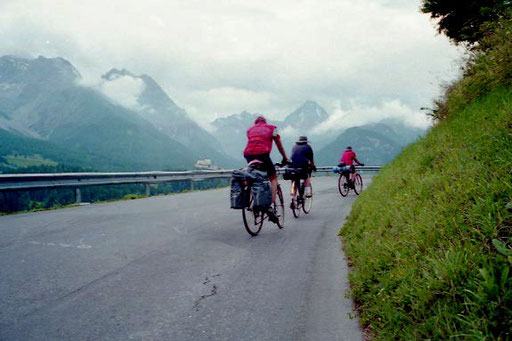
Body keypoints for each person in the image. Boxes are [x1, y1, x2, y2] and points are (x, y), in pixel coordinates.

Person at [244, 116, 288, 222]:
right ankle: (270, 205)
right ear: (265, 122)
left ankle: (253, 198)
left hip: (248, 155)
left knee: (255, 176)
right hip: (263, 154)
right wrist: (285, 158)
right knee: (273, 177)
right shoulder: (272, 128)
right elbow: (279, 145)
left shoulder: (249, 130)